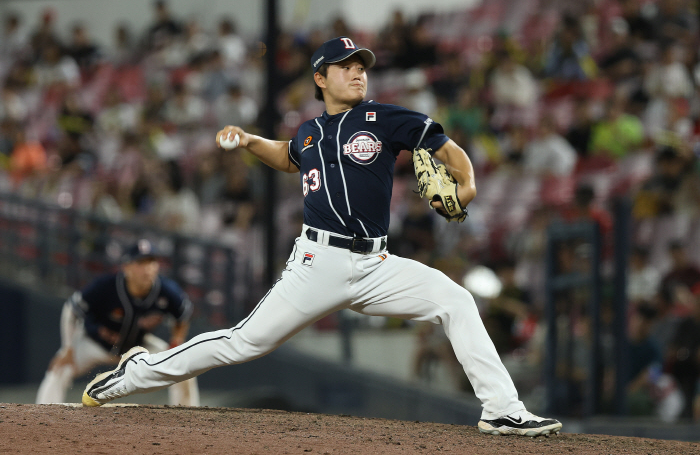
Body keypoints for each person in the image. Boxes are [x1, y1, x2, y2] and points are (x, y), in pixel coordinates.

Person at [82, 37, 561, 437]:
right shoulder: (309, 132)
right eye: (345, 67)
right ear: (320, 78)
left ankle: (501, 407)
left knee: (455, 300)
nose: (357, 73)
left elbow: (448, 149)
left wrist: (469, 184)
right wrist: (250, 142)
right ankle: (136, 373)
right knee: (242, 342)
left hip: (376, 265)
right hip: (317, 262)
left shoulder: (385, 118)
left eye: (361, 67)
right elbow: (288, 155)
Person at [37, 239, 199, 406]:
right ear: (126, 267)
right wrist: (67, 348)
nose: (148, 268)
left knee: (182, 366)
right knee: (59, 368)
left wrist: (176, 342)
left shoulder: (167, 290)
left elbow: (183, 316)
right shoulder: (106, 286)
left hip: (137, 348)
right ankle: (43, 416)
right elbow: (71, 310)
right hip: (95, 344)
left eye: (151, 262)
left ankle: (188, 420)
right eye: (141, 263)